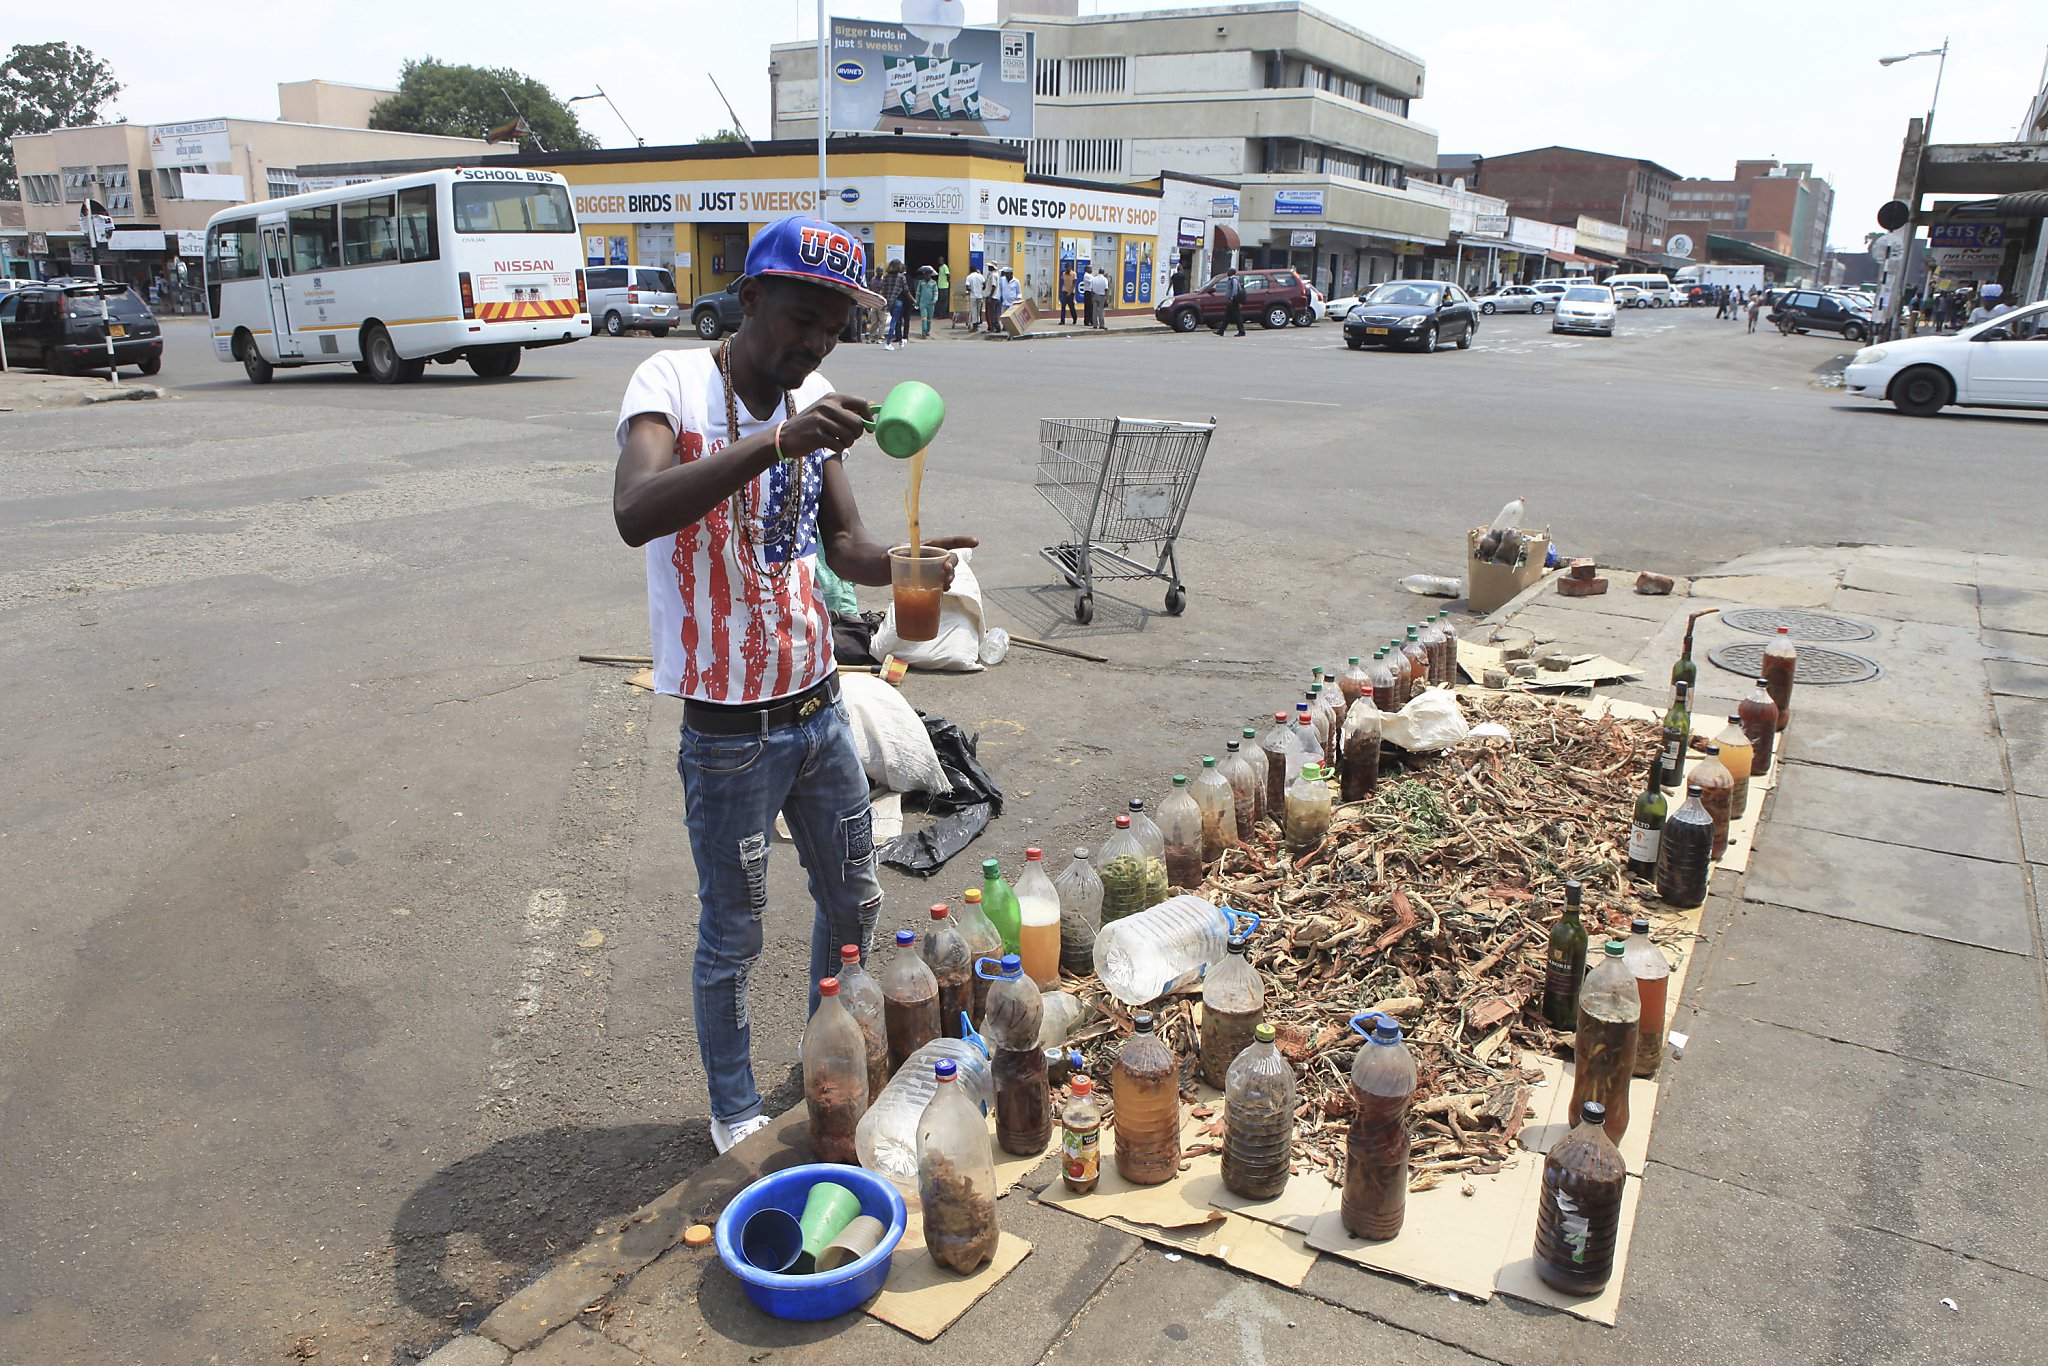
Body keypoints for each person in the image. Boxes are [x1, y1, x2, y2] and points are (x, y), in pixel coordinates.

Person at [610, 214, 976, 1154]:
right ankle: (734, 1111)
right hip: (730, 730)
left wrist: (909, 562)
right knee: (733, 932)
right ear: (750, 301)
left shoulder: (812, 401)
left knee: (853, 902)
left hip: (821, 707)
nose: (813, 344)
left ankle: (830, 1048)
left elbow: (844, 547)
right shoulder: (672, 384)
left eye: (833, 328)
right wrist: (778, 443)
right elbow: (636, 511)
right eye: (800, 319)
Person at [1213, 265, 1246, 337]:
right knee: (1226, 316)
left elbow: (1235, 290)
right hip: (1230, 300)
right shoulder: (1230, 279)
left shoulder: (1234, 280)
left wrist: (1232, 298)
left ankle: (1241, 331)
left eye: (1229, 271)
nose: (1227, 272)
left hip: (1233, 300)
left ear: (1232, 272)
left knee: (1237, 316)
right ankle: (1221, 331)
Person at [915, 264, 938, 338]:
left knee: (929, 319)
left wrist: (935, 299)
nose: (926, 276)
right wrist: (917, 301)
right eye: (925, 274)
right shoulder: (921, 282)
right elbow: (918, 293)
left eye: (928, 274)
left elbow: (935, 292)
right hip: (923, 303)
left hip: (931, 303)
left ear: (930, 275)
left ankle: (928, 330)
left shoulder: (933, 283)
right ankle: (924, 332)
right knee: (923, 318)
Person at [963, 264, 986, 332]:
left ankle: (975, 326)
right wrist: (980, 290)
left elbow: (967, 287)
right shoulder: (980, 276)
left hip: (973, 296)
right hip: (980, 296)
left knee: (973, 310)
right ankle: (977, 324)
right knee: (978, 310)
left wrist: (972, 290)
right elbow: (984, 285)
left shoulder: (969, 277)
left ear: (970, 270)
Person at [1058, 257, 1078, 326]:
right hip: (1065, 291)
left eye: (1069, 268)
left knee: (1071, 306)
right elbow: (1063, 281)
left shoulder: (1073, 274)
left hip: (1071, 292)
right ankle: (1062, 320)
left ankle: (1075, 318)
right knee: (1063, 306)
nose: (1067, 269)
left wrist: (1070, 291)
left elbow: (1074, 283)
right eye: (1066, 268)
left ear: (1070, 268)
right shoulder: (1064, 274)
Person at [936, 259, 951, 326]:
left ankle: (943, 314)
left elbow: (948, 275)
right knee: (940, 301)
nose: (939, 262)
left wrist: (947, 282)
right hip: (940, 286)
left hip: (944, 286)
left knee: (944, 301)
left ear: (943, 261)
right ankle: (940, 314)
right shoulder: (940, 267)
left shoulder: (945, 267)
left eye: (941, 260)